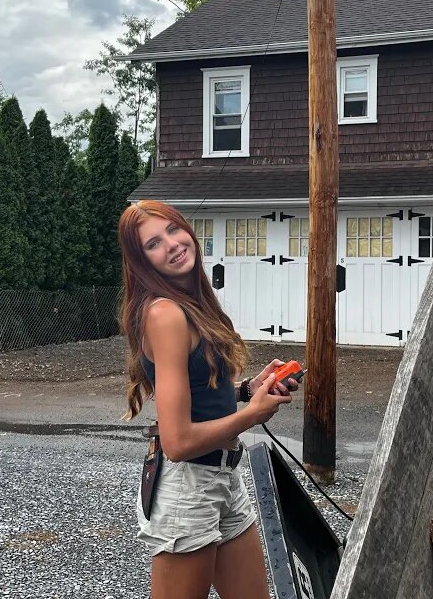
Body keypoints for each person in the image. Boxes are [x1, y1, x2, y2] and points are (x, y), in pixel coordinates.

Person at [119, 199, 298, 598]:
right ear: (141, 261)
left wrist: (249, 391)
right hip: (187, 489)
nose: (171, 244)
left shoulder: (193, 304)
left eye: (172, 230)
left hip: (224, 477)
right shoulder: (164, 314)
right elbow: (179, 441)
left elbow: (198, 395)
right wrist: (251, 415)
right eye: (153, 244)